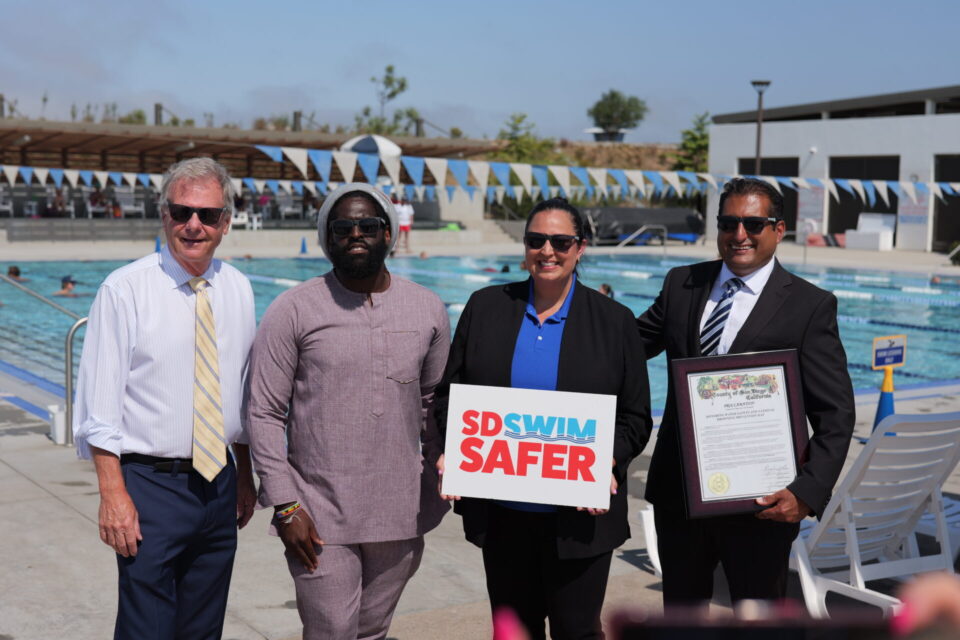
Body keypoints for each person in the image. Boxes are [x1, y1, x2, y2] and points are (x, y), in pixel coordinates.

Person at [434, 197, 651, 639]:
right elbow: (449, 397)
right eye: (537, 240)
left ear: (580, 247)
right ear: (525, 246)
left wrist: (606, 459)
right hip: (504, 515)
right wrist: (449, 450)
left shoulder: (614, 322)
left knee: (577, 631)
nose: (547, 251)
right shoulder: (486, 307)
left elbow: (635, 416)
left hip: (579, 516)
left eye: (561, 241)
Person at [636, 177, 855, 605]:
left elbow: (836, 415)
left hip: (764, 500)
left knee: (758, 619)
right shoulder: (682, 283)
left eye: (753, 225)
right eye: (729, 223)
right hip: (680, 493)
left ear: (778, 229)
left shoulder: (809, 306)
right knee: (681, 621)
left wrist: (806, 493)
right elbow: (627, 344)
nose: (739, 236)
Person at [246, 183, 450, 640]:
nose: (356, 234)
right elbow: (263, 412)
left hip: (400, 509)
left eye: (368, 225)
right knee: (332, 631)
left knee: (373, 630)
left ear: (388, 234)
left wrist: (440, 482)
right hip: (317, 511)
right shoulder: (293, 309)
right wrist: (286, 505)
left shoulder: (427, 307)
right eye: (343, 227)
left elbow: (433, 405)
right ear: (328, 238)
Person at [73, 157, 257, 639]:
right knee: (146, 628)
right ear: (164, 216)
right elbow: (99, 408)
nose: (194, 225)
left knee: (204, 626)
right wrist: (113, 495)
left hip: (219, 485)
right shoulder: (125, 290)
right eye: (182, 212)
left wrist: (245, 475)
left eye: (208, 215)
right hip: (150, 487)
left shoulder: (238, 288)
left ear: (227, 222)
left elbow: (237, 390)